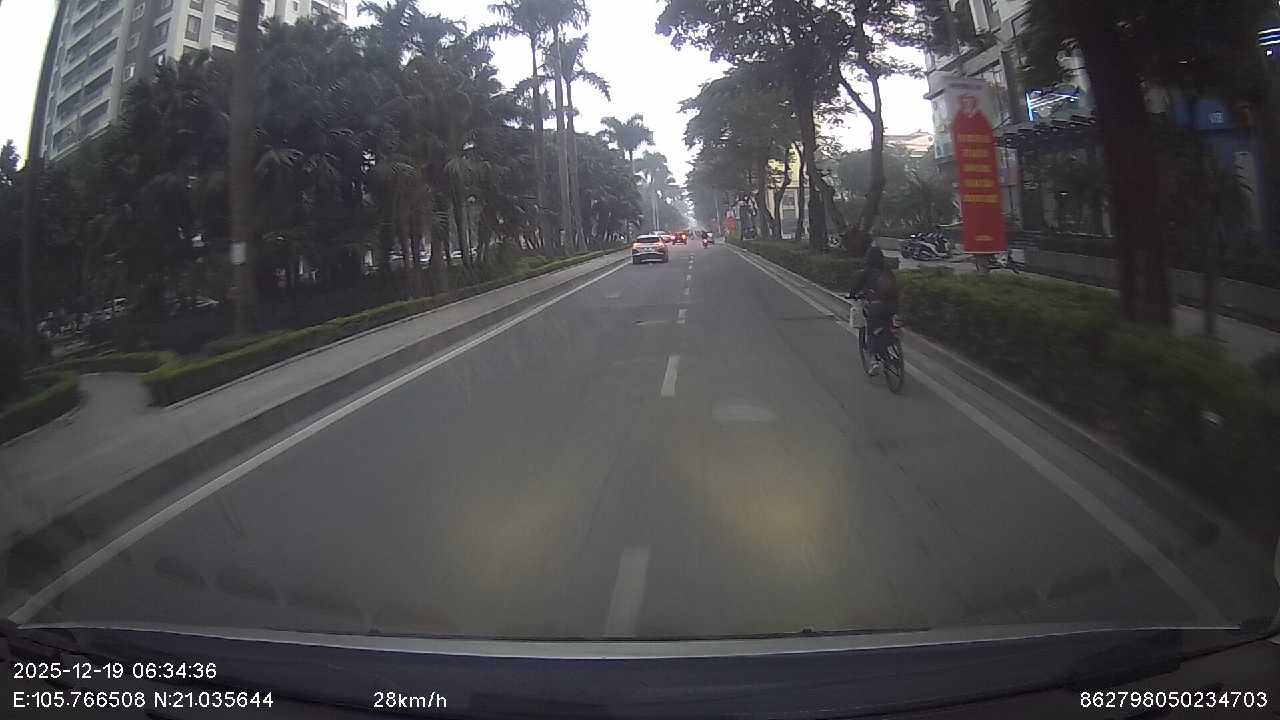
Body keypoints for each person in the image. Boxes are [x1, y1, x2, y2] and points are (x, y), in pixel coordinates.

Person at [847, 245, 899, 375]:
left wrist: (852, 295)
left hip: (876, 307)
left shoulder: (866, 272)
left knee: (871, 332)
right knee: (885, 325)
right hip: (893, 306)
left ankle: (874, 361)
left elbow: (854, 289)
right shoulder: (887, 271)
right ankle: (889, 347)